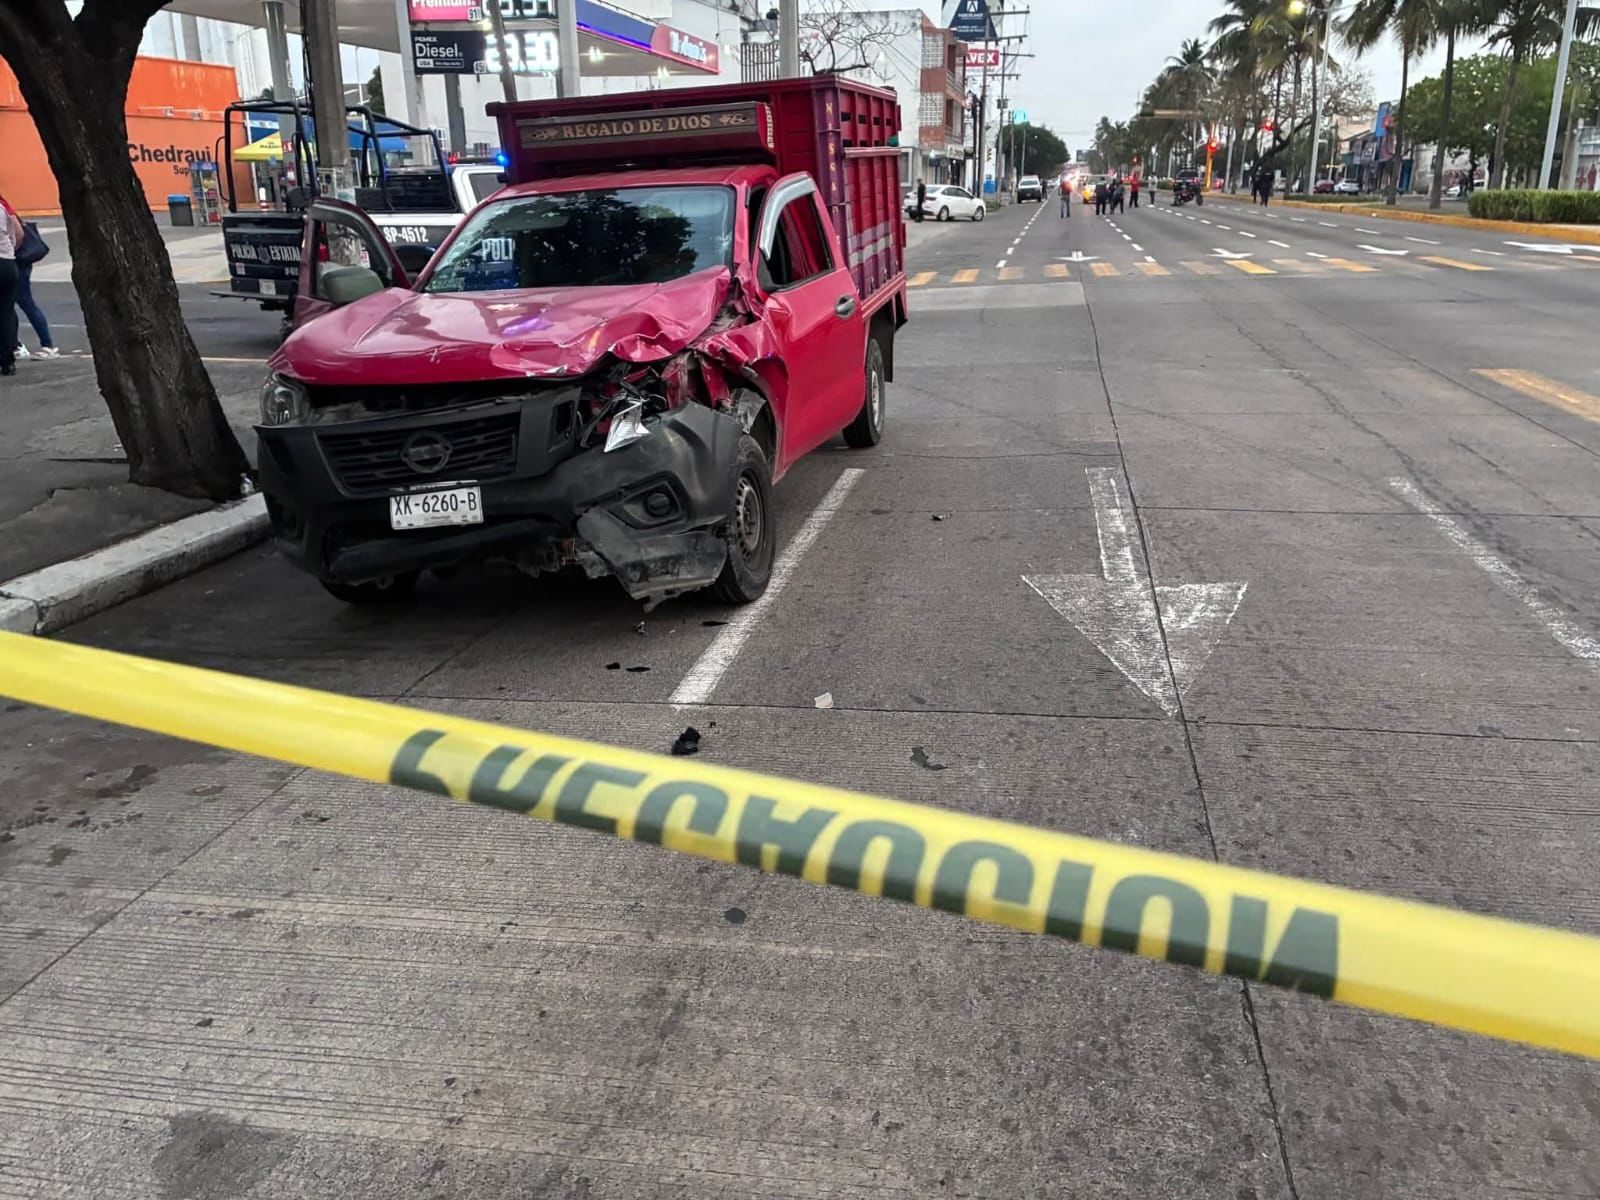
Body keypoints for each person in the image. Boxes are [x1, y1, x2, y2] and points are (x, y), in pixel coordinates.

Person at [1, 194, 57, 360]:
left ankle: (47, 345)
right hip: (11, 259)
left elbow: (18, 234)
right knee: (9, 306)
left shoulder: (3, 206)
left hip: (15, 260)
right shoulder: (4, 206)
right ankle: (14, 344)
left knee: (24, 301)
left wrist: (9, 251)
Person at [0, 199, 19, 377]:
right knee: (6, 312)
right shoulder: (2, 207)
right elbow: (17, 234)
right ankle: (8, 360)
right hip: (7, 263)